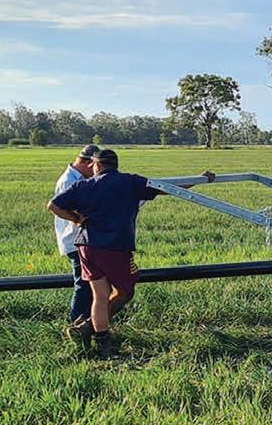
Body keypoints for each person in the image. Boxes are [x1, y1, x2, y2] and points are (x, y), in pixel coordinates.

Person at [48, 149, 213, 355]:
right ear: (116, 165)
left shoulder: (83, 185)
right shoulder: (130, 182)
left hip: (87, 247)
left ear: (96, 165)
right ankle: (89, 328)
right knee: (124, 292)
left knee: (100, 296)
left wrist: (76, 219)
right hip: (115, 247)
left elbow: (53, 205)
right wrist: (199, 179)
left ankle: (100, 340)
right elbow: (167, 188)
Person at [53, 145, 100, 337]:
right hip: (75, 241)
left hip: (81, 240)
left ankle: (89, 323)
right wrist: (79, 218)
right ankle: (77, 325)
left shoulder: (77, 178)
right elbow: (60, 207)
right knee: (83, 284)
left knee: (90, 284)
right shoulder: (69, 181)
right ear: (89, 164)